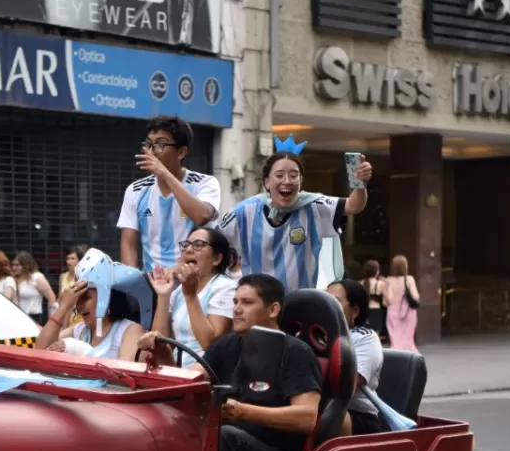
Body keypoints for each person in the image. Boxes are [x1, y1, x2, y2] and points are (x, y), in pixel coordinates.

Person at [138, 274, 323, 451]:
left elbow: (307, 417)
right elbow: (188, 382)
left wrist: (243, 412)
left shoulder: (295, 352)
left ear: (273, 310)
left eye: (247, 302)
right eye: (235, 302)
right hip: (227, 443)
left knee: (226, 437)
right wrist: (163, 353)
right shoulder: (227, 344)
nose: (236, 309)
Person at [218, 147, 371, 293]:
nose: (287, 181)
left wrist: (358, 183)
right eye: (279, 175)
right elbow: (216, 245)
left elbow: (353, 206)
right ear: (267, 182)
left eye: (293, 175)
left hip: (299, 305)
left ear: (301, 180)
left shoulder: (314, 206)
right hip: (256, 306)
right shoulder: (244, 211)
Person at [117, 116, 221, 272]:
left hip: (194, 284)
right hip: (153, 284)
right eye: (148, 144)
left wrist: (164, 174)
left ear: (181, 152)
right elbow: (128, 245)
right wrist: (132, 285)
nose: (151, 151)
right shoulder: (136, 190)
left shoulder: (204, 183)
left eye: (159, 145)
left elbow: (202, 216)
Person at [147, 227, 236, 361]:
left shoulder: (225, 287)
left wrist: (190, 296)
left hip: (205, 371)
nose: (188, 250)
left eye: (198, 245)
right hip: (176, 367)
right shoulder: (178, 292)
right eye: (186, 245)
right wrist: (163, 295)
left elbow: (210, 344)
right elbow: (158, 342)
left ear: (216, 259)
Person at [327, 279, 387, 435]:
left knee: (330, 418)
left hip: (357, 416)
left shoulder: (365, 338)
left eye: (335, 301)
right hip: (318, 406)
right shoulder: (317, 336)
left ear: (354, 311)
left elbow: (347, 387)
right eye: (324, 300)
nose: (326, 307)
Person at [38, 281, 143, 362]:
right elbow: (40, 352)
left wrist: (81, 350)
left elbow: (123, 375)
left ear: (106, 299)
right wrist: (64, 306)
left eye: (86, 297)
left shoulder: (129, 329)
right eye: (77, 298)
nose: (79, 304)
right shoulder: (79, 329)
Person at [11, 250, 57, 326]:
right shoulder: (12, 279)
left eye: (18, 265)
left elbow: (51, 298)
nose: (14, 268)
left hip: (33, 318)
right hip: (17, 318)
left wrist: (51, 321)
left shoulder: (37, 278)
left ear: (26, 265)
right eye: (13, 265)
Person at [384, 255, 419, 352]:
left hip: (392, 312)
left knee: (395, 340)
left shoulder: (388, 280)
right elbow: (415, 297)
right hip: (408, 313)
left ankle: (396, 358)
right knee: (408, 340)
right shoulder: (409, 279)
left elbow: (386, 302)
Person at [61, 245, 88, 324]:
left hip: (78, 317)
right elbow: (59, 298)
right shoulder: (63, 276)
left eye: (72, 258)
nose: (68, 261)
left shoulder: (83, 278)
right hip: (64, 315)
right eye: (67, 258)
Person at [361, 259, 387, 340]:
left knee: (365, 335)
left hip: (365, 311)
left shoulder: (361, 283)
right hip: (376, 311)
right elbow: (388, 300)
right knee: (376, 337)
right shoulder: (381, 284)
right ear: (377, 271)